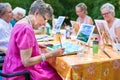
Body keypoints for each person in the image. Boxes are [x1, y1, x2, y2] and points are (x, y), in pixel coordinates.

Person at [2, 0, 65, 80]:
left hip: (10, 68)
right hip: (20, 73)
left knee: (50, 67)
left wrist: (35, 44)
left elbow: (18, 45)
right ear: (37, 13)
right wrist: (51, 54)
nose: (45, 23)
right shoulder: (26, 28)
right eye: (45, 19)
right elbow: (26, 62)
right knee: (59, 74)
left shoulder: (20, 23)